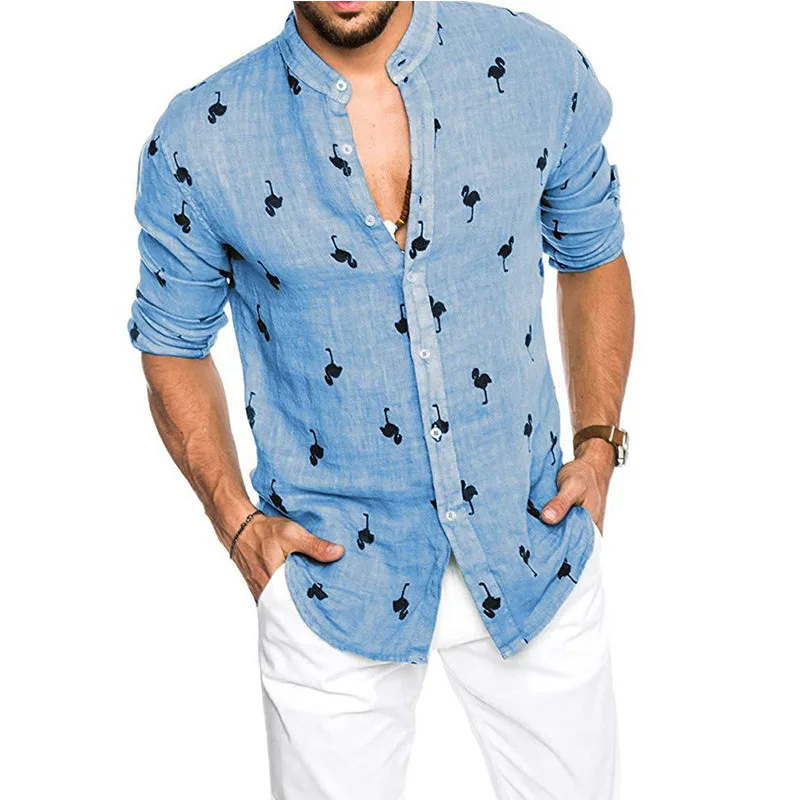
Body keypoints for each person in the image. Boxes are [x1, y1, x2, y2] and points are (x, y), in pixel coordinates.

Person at [127, 2, 634, 797]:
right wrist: (236, 524)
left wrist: (599, 443)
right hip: (331, 575)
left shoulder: (534, 67)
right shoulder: (202, 137)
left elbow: (594, 252)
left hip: (534, 541)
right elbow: (171, 344)